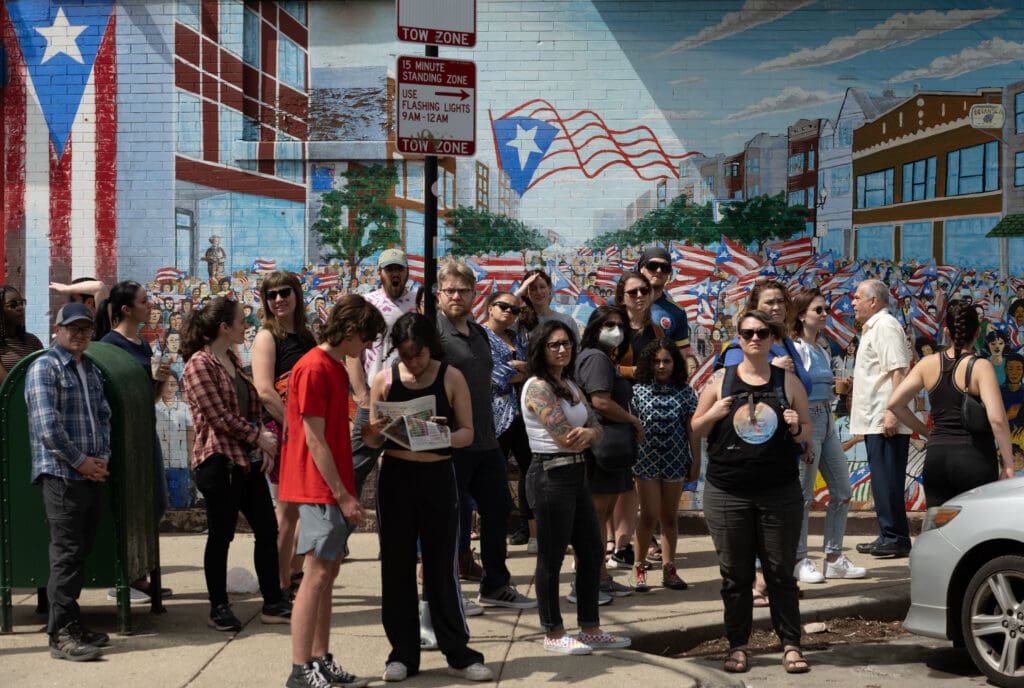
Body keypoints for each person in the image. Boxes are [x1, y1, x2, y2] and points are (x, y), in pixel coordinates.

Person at [363, 313, 493, 683]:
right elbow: (371, 438)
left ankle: (458, 652)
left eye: (418, 355)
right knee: (396, 565)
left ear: (429, 347)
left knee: (441, 566)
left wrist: (439, 436)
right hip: (396, 476)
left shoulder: (450, 377)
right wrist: (374, 431)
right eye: (405, 356)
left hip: (438, 475)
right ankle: (402, 653)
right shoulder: (384, 379)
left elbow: (468, 433)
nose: (413, 363)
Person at [691, 310, 812, 675]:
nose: (755, 338)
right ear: (739, 338)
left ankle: (791, 644)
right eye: (747, 333)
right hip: (728, 492)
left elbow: (807, 432)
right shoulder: (720, 380)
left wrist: (796, 426)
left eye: (761, 332)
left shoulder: (788, 382)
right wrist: (714, 412)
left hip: (779, 492)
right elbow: (696, 428)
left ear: (772, 338)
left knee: (780, 573)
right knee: (736, 575)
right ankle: (738, 645)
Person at [279, 295, 382, 688]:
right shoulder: (313, 367)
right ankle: (300, 667)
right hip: (318, 486)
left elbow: (331, 434)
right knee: (316, 575)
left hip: (328, 484)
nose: (367, 347)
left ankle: (319, 658)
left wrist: (371, 433)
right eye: (366, 338)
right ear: (351, 330)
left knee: (327, 573)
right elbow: (313, 439)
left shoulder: (333, 366)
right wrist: (342, 494)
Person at [181, 296, 291, 632]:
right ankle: (219, 607)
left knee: (267, 529)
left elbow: (251, 408)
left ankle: (273, 601)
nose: (247, 326)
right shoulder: (199, 364)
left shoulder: (231, 358)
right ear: (224, 327)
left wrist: (263, 442)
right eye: (242, 321)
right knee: (221, 535)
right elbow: (218, 417)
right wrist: (259, 437)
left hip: (247, 461)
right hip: (219, 463)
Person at [521, 319, 630, 654]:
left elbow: (596, 427)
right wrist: (587, 434)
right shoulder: (537, 387)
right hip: (550, 475)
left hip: (578, 474)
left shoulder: (569, 383)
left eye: (566, 343)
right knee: (551, 556)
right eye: (554, 344)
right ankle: (553, 632)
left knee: (592, 551)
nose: (562, 349)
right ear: (540, 349)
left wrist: (590, 434)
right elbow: (564, 437)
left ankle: (590, 627)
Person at [435, 261, 535, 608]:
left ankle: (495, 585)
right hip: (450, 443)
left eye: (463, 290)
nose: (456, 296)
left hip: (486, 439)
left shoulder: (479, 335)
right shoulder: (433, 334)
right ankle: (445, 592)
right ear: (439, 294)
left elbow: (500, 372)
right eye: (450, 290)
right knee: (449, 518)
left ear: (473, 294)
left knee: (497, 509)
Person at [26, 303, 112, 661]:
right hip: (62, 476)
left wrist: (101, 459)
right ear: (57, 330)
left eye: (86, 329)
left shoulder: (89, 368)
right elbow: (48, 428)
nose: (79, 334)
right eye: (73, 328)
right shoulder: (44, 367)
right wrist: (82, 463)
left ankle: (72, 623)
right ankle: (60, 635)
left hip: (90, 474)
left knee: (79, 552)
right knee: (66, 555)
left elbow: (103, 415)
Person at [887, 301, 1015, 508]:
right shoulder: (981, 367)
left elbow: (895, 404)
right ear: (977, 332)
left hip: (937, 458)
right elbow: (997, 420)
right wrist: (1008, 464)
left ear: (946, 331)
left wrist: (927, 432)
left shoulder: (927, 364)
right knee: (976, 524)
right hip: (974, 458)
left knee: (939, 523)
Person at [97, 280, 173, 602]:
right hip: (122, 438)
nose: (150, 305)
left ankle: (138, 573)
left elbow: (147, 398)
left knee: (156, 501)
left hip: (144, 433)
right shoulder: (109, 345)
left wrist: (159, 381)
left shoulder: (142, 345)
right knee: (126, 506)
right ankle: (122, 578)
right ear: (126, 309)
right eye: (143, 301)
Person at [788, 290, 865, 583]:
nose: (824, 314)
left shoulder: (821, 349)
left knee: (843, 490)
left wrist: (837, 389)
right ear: (801, 315)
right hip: (808, 419)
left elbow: (823, 388)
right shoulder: (795, 349)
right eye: (818, 310)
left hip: (827, 417)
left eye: (825, 310)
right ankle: (799, 558)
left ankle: (833, 558)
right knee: (803, 495)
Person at [251, 270, 317, 599]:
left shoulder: (307, 337)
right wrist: (292, 426)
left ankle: (292, 570)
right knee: (287, 510)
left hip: (309, 430)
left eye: (284, 292)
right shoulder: (266, 337)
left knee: (309, 509)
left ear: (296, 295)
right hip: (282, 430)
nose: (278, 299)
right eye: (271, 294)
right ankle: (279, 585)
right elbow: (264, 391)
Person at [576, 305, 641, 599]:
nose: (616, 331)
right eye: (609, 325)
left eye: (620, 325)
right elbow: (600, 402)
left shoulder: (601, 357)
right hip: (600, 447)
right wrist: (632, 420)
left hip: (606, 446)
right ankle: (588, 581)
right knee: (595, 517)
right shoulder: (596, 358)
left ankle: (600, 577)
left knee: (600, 517)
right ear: (595, 327)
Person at [346, 249, 418, 500]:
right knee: (355, 465)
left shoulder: (419, 302)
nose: (394, 274)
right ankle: (342, 519)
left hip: (410, 398)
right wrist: (362, 395)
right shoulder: (367, 303)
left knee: (409, 468)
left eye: (399, 269)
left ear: (407, 272)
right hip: (375, 397)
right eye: (389, 269)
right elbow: (352, 352)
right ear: (380, 273)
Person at [628, 339, 699, 592]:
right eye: (656, 361)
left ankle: (669, 569)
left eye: (666, 361)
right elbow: (631, 428)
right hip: (645, 462)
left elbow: (692, 430)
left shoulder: (686, 392)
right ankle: (638, 568)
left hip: (675, 461)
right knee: (648, 515)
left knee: (669, 517)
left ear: (675, 363)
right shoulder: (637, 392)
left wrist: (696, 461)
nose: (661, 366)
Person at [850, 279, 914, 559]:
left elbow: (899, 370)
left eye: (857, 297)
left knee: (887, 481)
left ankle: (895, 537)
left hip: (884, 419)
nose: (853, 302)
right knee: (882, 480)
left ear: (873, 301)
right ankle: (889, 535)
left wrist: (892, 412)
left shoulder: (885, 326)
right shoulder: (874, 327)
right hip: (876, 418)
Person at [481, 291, 534, 551]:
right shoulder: (480, 336)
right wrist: (522, 368)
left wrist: (522, 368)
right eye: (504, 306)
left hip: (523, 413)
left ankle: (530, 529)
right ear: (490, 308)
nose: (509, 312)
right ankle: (495, 535)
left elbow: (533, 368)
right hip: (496, 416)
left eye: (515, 310)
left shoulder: (517, 337)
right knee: (494, 475)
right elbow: (495, 376)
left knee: (531, 470)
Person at [638, 247, 689, 353]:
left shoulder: (677, 311)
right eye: (653, 266)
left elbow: (682, 354)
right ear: (641, 269)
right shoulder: (619, 302)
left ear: (669, 273)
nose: (659, 270)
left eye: (665, 267)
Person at [155, 374, 194, 508]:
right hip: (159, 462)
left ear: (177, 387)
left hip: (180, 462)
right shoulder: (153, 407)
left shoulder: (184, 408)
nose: (169, 388)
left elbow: (190, 431)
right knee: (160, 503)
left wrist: (191, 455)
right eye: (166, 385)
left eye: (173, 384)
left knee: (180, 503)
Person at [516, 269, 579, 341]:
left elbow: (577, 347)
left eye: (542, 287)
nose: (539, 292)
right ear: (526, 293)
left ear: (549, 288)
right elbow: (505, 308)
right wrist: (519, 292)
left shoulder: (567, 321)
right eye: (533, 289)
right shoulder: (520, 321)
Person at [0, 285, 44, 383]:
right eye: (13, 305)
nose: (20, 308)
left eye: (21, 303)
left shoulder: (33, 341)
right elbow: (7, 385)